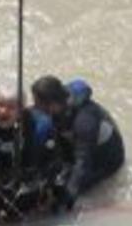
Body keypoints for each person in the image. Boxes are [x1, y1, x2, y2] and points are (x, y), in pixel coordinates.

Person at [30, 75, 125, 211]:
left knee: (64, 187)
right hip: (75, 143)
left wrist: (66, 198)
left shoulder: (84, 121)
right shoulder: (60, 104)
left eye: (38, 104)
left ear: (52, 104)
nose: (36, 108)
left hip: (104, 159)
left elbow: (83, 163)